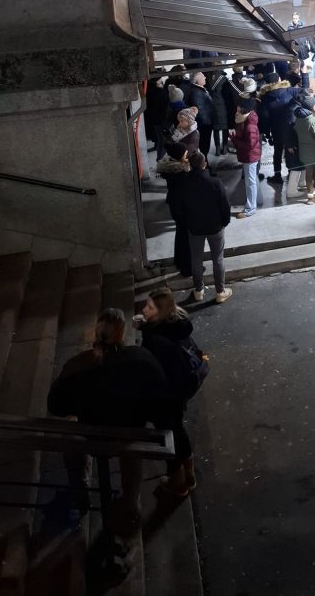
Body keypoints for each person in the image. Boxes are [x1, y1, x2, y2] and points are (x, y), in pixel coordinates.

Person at [47, 308, 166, 531]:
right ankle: (130, 502)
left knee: (71, 433)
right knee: (131, 450)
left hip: (92, 433)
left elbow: (56, 406)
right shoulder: (140, 359)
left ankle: (80, 489)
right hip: (128, 431)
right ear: (121, 335)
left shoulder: (77, 365)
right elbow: (159, 396)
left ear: (97, 333)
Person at [137, 288, 199, 498]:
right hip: (179, 392)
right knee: (178, 430)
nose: (144, 309)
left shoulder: (156, 341)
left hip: (166, 397)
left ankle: (178, 483)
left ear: (161, 312)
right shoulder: (175, 323)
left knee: (168, 437)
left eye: (150, 307)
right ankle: (189, 474)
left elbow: (153, 371)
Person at [179, 152, 233, 304]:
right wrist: (224, 222)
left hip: (195, 227)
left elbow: (180, 208)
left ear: (190, 165)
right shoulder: (215, 182)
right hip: (215, 227)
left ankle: (198, 291)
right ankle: (220, 292)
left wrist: (187, 223)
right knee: (218, 259)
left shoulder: (184, 183)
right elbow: (225, 205)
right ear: (205, 164)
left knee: (196, 260)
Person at [155, 142, 192, 276]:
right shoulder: (181, 172)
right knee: (186, 237)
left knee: (180, 233)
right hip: (182, 207)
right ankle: (187, 268)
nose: (187, 154)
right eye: (185, 153)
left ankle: (179, 261)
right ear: (179, 156)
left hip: (174, 205)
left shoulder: (170, 168)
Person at [258, 72, 299, 182]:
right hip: (291, 127)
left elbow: (265, 116)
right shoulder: (290, 91)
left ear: (266, 83)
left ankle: (277, 176)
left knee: (277, 152)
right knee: (291, 151)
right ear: (279, 79)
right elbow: (304, 94)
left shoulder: (265, 97)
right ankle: (291, 174)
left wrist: (267, 133)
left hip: (276, 129)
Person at [232, 98, 261, 218]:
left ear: (244, 111)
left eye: (238, 111)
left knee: (250, 182)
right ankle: (251, 205)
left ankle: (250, 208)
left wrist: (235, 140)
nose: (236, 113)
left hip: (250, 157)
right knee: (250, 181)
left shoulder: (250, 126)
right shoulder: (247, 121)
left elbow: (249, 145)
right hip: (249, 156)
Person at [209, 68, 237, 156]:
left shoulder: (210, 79)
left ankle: (217, 149)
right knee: (225, 128)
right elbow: (227, 93)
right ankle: (224, 147)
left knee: (216, 128)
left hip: (213, 106)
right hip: (223, 106)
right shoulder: (224, 79)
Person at [190, 72, 215, 156]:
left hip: (206, 122)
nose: (205, 77)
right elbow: (200, 109)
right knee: (204, 144)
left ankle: (204, 159)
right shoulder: (196, 92)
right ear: (197, 80)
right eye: (203, 76)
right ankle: (204, 161)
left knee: (205, 144)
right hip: (204, 124)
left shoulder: (200, 89)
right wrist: (208, 123)